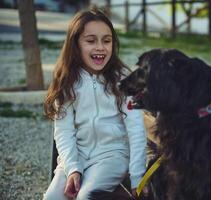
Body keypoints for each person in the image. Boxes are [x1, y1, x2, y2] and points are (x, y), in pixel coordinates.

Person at [43, 6, 146, 200]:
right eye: (91, 41)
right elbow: (64, 131)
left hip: (112, 156)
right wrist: (73, 168)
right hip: (77, 155)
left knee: (86, 196)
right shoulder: (66, 80)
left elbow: (136, 128)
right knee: (52, 198)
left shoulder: (122, 79)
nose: (100, 47)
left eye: (106, 41)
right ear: (76, 44)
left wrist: (137, 176)